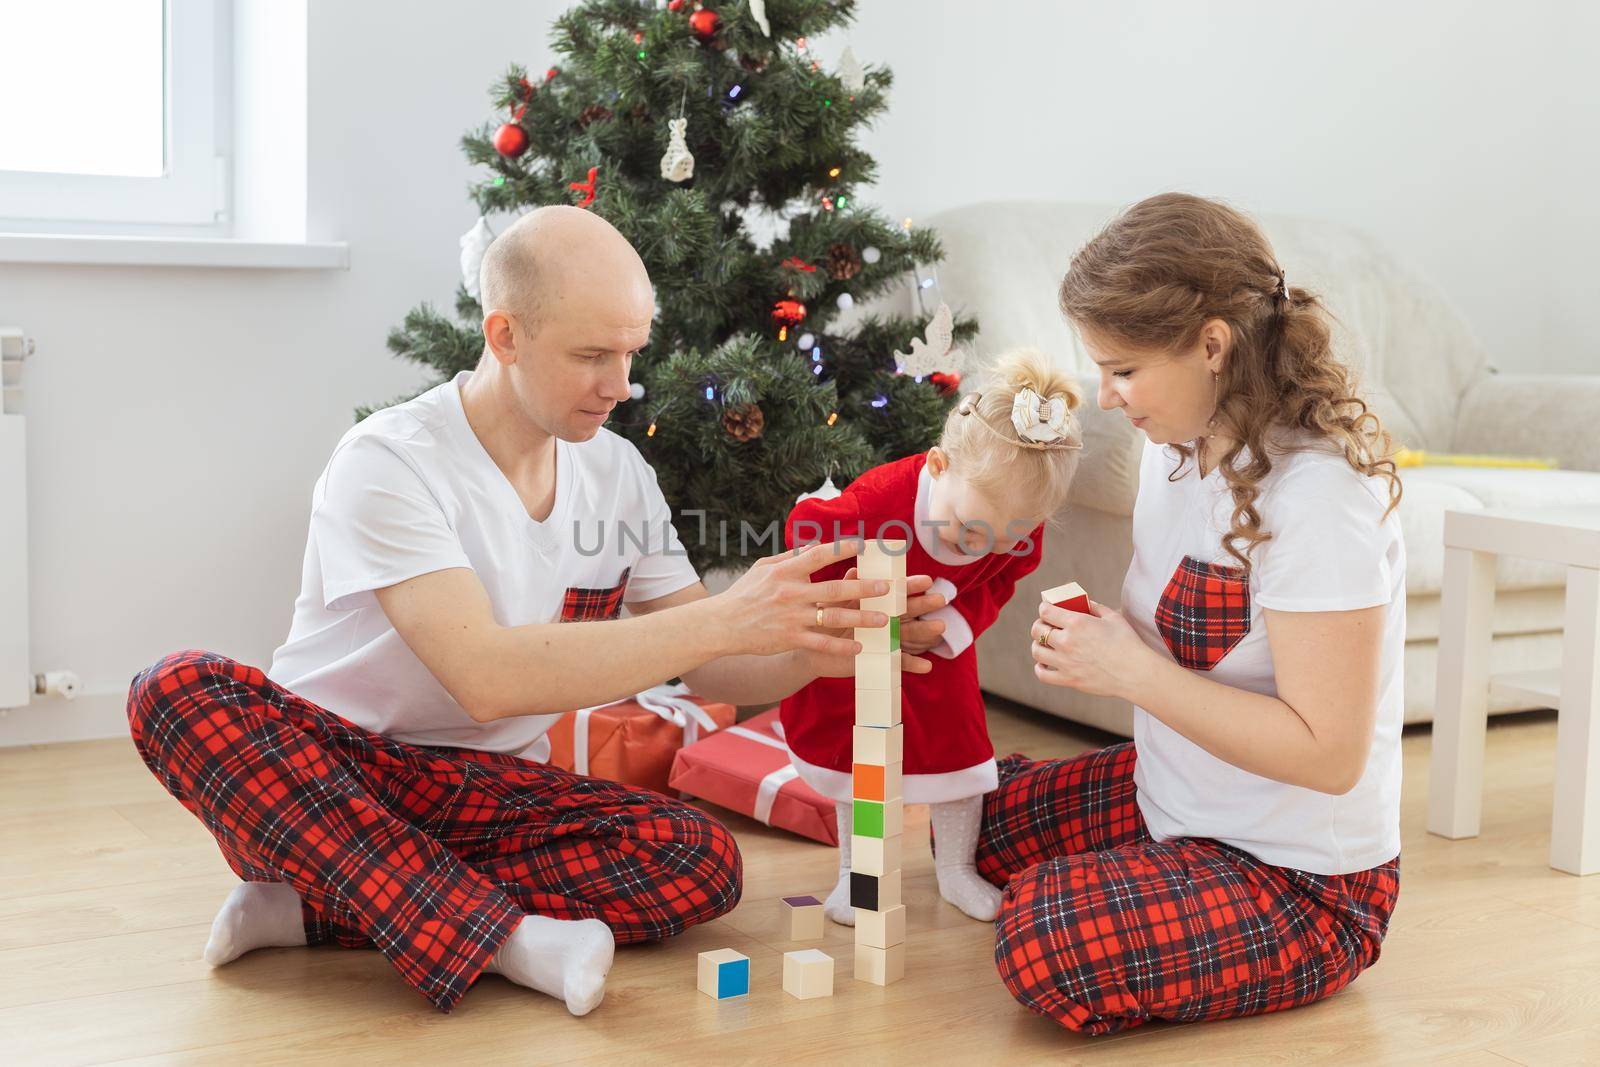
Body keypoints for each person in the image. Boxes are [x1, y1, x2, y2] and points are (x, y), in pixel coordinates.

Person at [125, 206, 932, 1017]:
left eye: (629, 353)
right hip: (330, 781)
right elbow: (484, 678)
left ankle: (316, 903)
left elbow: (713, 665)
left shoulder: (618, 472)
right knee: (175, 689)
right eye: (591, 355)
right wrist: (728, 615)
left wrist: (825, 634)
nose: (619, 385)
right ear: (505, 336)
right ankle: (511, 939)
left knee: (698, 855)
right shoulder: (390, 460)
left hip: (485, 793)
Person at [983, 193, 1405, 1035]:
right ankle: (1142, 874)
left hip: (1300, 880)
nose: (1105, 396)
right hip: (1171, 799)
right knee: (975, 820)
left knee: (1040, 936)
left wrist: (1132, 672)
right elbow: (1186, 637)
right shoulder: (1174, 451)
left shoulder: (1319, 497)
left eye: (1125, 369)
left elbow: (1328, 755)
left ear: (1213, 344)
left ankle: (1157, 896)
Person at [781, 349, 1084, 924]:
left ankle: (956, 869)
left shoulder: (1010, 533)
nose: (983, 546)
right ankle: (858, 872)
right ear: (940, 467)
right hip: (865, 654)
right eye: (972, 529)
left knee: (959, 757)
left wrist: (951, 625)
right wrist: (853, 609)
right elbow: (810, 537)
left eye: (1006, 536)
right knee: (862, 761)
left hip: (939, 658)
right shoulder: (878, 505)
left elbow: (1004, 575)